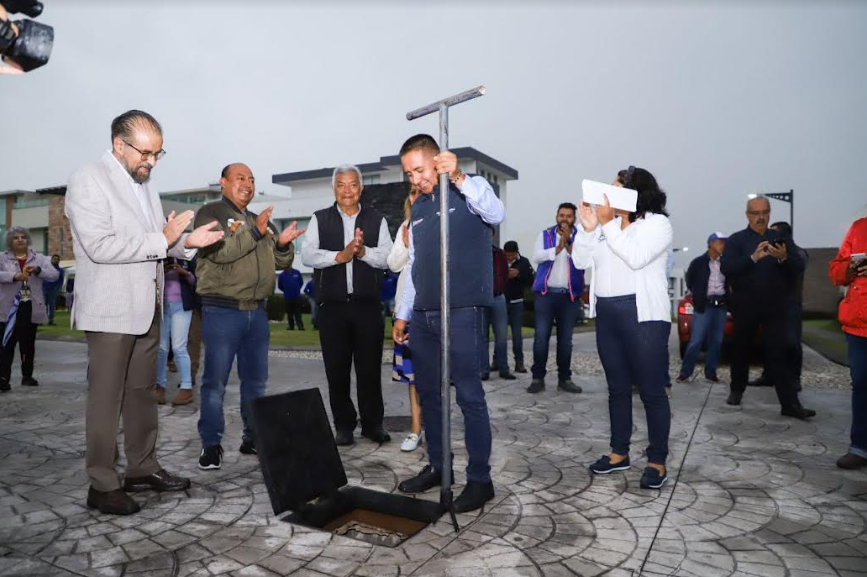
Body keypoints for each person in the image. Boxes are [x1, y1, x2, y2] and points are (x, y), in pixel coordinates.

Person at [65, 110, 224, 515]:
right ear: (119, 144)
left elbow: (159, 242)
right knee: (107, 400)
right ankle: (102, 484)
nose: (151, 162)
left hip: (146, 308)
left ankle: (142, 467)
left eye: (157, 154)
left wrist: (187, 243)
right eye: (145, 153)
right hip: (110, 310)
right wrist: (163, 239)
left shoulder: (145, 184)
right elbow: (100, 246)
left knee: (142, 394)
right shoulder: (88, 179)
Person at [393, 133, 504, 513]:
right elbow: (415, 265)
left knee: (469, 395)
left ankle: (480, 480)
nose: (416, 179)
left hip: (462, 310)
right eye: (409, 174)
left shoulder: (469, 189)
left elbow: (496, 214)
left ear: (437, 161)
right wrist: (403, 313)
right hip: (424, 315)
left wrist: (457, 177)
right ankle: (440, 467)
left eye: (419, 170)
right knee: (429, 394)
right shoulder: (420, 208)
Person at [194, 163, 303, 469]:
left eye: (252, 179)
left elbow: (280, 262)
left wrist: (283, 245)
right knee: (215, 383)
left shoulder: (259, 220)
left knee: (255, 383)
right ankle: (211, 445)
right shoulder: (211, 213)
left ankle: (252, 436)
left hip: (257, 313)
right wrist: (255, 232)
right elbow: (218, 252)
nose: (248, 183)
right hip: (222, 310)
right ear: (223, 182)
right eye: (240, 177)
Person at [574, 166, 673, 490]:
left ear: (636, 193)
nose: (608, 196)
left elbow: (636, 257)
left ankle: (657, 461)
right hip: (608, 314)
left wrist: (605, 225)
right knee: (616, 388)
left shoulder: (657, 224)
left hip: (642, 315)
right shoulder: (609, 226)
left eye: (616, 189)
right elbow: (580, 262)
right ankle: (619, 453)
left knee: (651, 390)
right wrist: (588, 229)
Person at [302, 164, 393, 446]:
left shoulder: (376, 219)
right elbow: (307, 255)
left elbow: (388, 257)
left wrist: (363, 252)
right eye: (341, 185)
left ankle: (372, 424)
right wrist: (339, 256)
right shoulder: (319, 218)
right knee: (336, 370)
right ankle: (343, 425)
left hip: (367, 306)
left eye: (353, 184)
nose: (347, 191)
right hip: (333, 307)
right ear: (334, 189)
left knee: (369, 370)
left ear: (361, 188)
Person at [721, 196, 814, 419]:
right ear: (747, 215)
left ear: (769, 213)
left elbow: (798, 266)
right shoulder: (736, 240)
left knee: (780, 353)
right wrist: (753, 258)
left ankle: (790, 404)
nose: (760, 217)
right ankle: (736, 389)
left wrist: (784, 258)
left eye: (764, 212)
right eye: (756, 213)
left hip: (775, 307)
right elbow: (727, 268)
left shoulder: (780, 239)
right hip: (746, 306)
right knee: (741, 349)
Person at [528, 203, 586, 394]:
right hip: (546, 294)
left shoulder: (582, 237)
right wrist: (557, 247)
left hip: (569, 297)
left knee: (565, 341)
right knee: (541, 338)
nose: (565, 219)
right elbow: (536, 257)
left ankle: (565, 379)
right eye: (562, 215)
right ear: (556, 217)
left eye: (569, 216)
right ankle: (537, 378)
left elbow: (583, 260)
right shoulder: (545, 235)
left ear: (574, 219)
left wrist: (568, 244)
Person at [750, 221, 808, 391]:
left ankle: (794, 379)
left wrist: (783, 257)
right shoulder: (770, 252)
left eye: (774, 233)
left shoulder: (798, 253)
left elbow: (796, 270)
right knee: (769, 341)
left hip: (790, 304)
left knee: (792, 342)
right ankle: (768, 375)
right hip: (770, 303)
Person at [829, 217, 867, 469]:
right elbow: (835, 272)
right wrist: (850, 269)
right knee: (861, 383)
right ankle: (860, 447)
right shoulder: (859, 227)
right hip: (858, 324)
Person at [0, 228, 58, 391]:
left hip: (30, 306)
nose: (20, 240)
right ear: (9, 242)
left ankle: (27, 376)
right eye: (15, 238)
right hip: (7, 308)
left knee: (28, 343)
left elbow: (54, 274)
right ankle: (3, 378)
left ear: (28, 240)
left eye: (23, 237)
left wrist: (39, 271)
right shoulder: (2, 257)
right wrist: (13, 276)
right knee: (6, 343)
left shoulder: (40, 258)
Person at [388, 185, 423, 452]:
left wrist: (416, 249)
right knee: (412, 377)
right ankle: (415, 430)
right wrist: (408, 246)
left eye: (420, 191)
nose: (416, 196)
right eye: (412, 192)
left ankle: (436, 427)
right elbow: (393, 264)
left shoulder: (441, 223)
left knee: (437, 376)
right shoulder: (405, 227)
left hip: (433, 311)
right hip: (406, 313)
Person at [676, 232, 728, 383]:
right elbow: (690, 280)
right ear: (710, 243)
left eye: (724, 242)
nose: (723, 245)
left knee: (716, 341)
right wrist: (698, 296)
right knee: (696, 341)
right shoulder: (698, 262)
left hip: (721, 306)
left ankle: (711, 373)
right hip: (704, 306)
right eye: (720, 242)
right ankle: (685, 373)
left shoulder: (726, 262)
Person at [156, 258, 196, 406]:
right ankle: (159, 386)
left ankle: (186, 387)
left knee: (179, 347)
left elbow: (196, 281)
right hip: (162, 305)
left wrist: (184, 272)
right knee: (161, 348)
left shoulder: (187, 256)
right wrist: (161, 271)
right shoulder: (158, 255)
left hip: (182, 306)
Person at [482, 244, 516, 381]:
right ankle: (483, 369)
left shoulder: (499, 253)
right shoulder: (475, 250)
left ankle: (503, 368)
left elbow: (504, 272)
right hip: (481, 299)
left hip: (498, 297)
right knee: (482, 337)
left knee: (501, 336)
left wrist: (500, 285)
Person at [503, 241, 534, 373]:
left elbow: (531, 280)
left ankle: (519, 363)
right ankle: (497, 362)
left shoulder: (524, 262)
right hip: (502, 302)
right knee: (500, 335)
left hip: (517, 302)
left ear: (517, 252)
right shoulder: (499, 261)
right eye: (508, 255)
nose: (510, 258)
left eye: (512, 255)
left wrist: (519, 274)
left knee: (517, 335)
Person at [277, 266, 305, 330]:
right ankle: (291, 326)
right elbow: (280, 286)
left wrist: (296, 289)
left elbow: (301, 283)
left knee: (298, 312)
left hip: (297, 296)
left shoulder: (297, 272)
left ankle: (300, 326)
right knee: (289, 313)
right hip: (287, 297)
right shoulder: (281, 275)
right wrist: (286, 290)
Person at [41, 254, 64, 325]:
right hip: (44, 288)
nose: (56, 260)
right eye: (54, 259)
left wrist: (57, 288)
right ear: (51, 260)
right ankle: (42, 320)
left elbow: (61, 281)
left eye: (57, 259)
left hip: (53, 290)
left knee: (52, 305)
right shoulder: (46, 269)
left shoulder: (60, 270)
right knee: (43, 305)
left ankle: (50, 320)